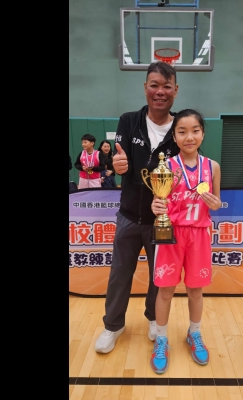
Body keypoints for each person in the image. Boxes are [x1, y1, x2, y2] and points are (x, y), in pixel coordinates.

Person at [94, 61, 180, 354]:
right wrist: (118, 164)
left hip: (163, 219)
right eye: (154, 85)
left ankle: (154, 318)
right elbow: (121, 159)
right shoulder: (129, 120)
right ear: (145, 88)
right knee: (119, 274)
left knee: (160, 274)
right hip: (129, 216)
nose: (160, 91)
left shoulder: (181, 126)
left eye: (166, 86)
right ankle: (113, 325)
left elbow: (188, 168)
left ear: (176, 90)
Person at [149, 109, 221, 374]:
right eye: (182, 131)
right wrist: (156, 206)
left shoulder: (212, 167)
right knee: (165, 290)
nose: (189, 137)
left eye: (195, 131)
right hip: (171, 235)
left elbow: (217, 202)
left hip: (199, 235)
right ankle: (161, 339)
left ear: (202, 133)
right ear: (175, 136)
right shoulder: (166, 167)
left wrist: (216, 203)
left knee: (195, 290)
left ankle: (195, 333)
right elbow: (158, 201)